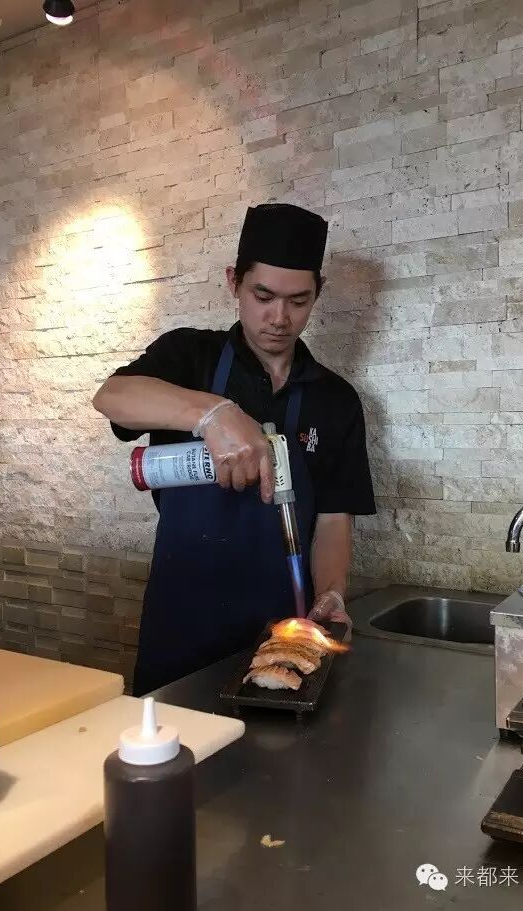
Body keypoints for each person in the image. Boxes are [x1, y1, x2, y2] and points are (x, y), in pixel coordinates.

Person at [93, 203, 375, 695]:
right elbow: (111, 397)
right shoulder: (189, 356)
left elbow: (333, 518)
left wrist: (332, 591)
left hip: (283, 629)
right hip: (184, 616)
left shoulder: (336, 400)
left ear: (318, 293)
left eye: (299, 301)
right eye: (263, 296)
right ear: (234, 282)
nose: (279, 318)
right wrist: (212, 414)